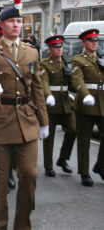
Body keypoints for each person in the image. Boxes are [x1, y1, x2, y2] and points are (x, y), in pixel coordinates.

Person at [0, 0, 49, 230]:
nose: (16, 25)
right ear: (2, 25)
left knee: (29, 174)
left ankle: (22, 225)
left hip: (26, 119)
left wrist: (44, 121)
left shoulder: (32, 52)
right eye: (12, 21)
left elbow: (37, 88)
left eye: (19, 21)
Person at [71, 29, 104, 186]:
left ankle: (100, 165)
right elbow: (77, 80)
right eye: (91, 40)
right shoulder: (78, 60)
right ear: (84, 42)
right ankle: (84, 172)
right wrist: (85, 95)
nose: (94, 43)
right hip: (86, 105)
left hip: (102, 104)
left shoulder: (102, 59)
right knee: (84, 140)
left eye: (96, 40)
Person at [40, 35, 76, 177]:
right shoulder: (44, 64)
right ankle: (48, 166)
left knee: (73, 130)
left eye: (61, 47)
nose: (59, 49)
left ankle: (63, 158)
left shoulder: (67, 62)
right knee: (49, 137)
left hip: (66, 103)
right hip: (51, 104)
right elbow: (44, 81)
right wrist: (48, 95)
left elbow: (72, 83)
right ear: (50, 49)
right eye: (56, 47)